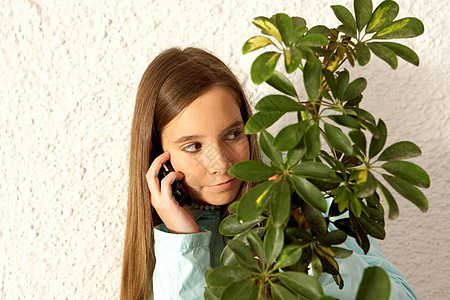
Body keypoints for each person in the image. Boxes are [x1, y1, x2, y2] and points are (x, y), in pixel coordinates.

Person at [120, 47, 418, 300]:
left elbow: (400, 295)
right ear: (158, 154)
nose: (221, 164)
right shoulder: (161, 240)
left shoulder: (302, 183)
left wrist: (300, 240)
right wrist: (184, 241)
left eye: (233, 134)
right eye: (194, 146)